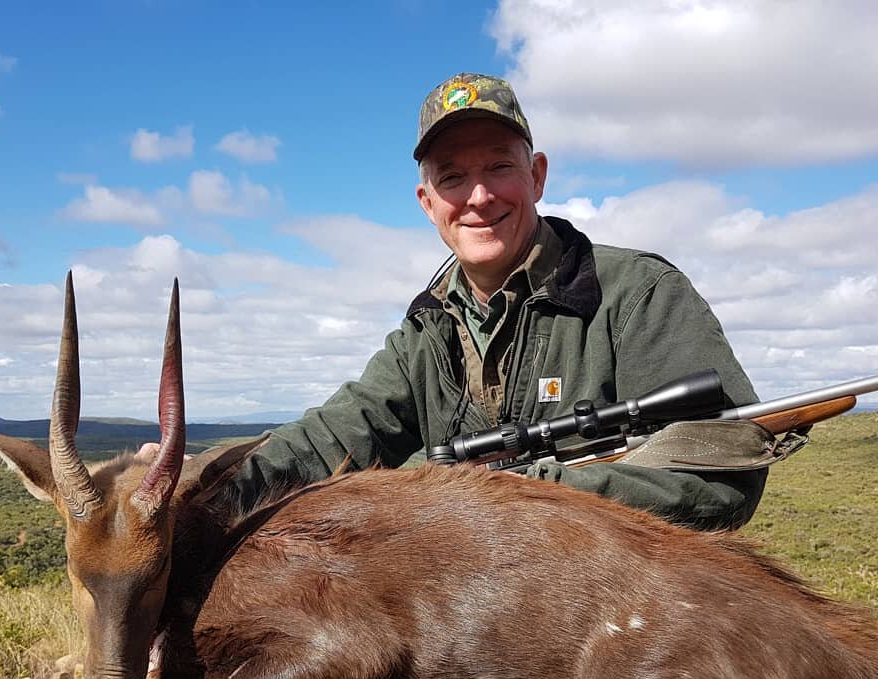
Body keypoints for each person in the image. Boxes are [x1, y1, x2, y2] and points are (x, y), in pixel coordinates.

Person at [231, 72, 766, 530]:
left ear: (536, 176)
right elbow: (332, 438)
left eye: (498, 168)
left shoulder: (639, 293)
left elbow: (722, 477)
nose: (479, 197)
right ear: (428, 202)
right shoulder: (428, 329)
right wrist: (197, 484)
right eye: (453, 177)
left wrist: (534, 491)